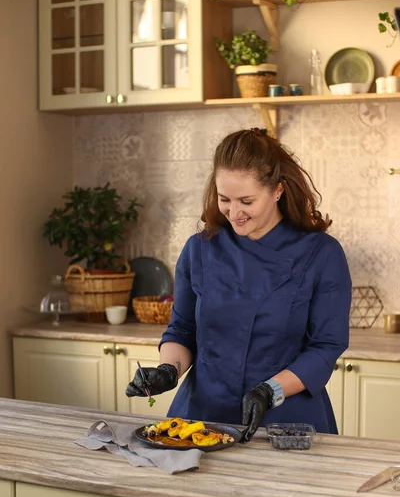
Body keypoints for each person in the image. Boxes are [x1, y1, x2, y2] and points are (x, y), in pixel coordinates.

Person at [126, 128, 352, 441]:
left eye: (247, 201)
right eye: (224, 199)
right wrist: (168, 371)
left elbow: (326, 347)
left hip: (286, 421)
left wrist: (269, 391)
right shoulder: (199, 249)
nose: (234, 213)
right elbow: (182, 330)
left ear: (277, 190)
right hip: (201, 417)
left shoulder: (321, 254)